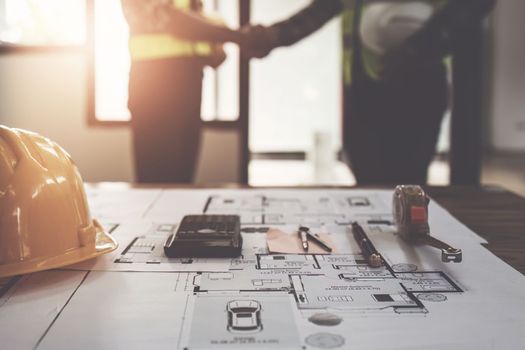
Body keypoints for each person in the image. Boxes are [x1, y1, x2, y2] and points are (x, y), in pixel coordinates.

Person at [241, 0, 495, 184]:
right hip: (362, 89)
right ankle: (371, 256)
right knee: (366, 182)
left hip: (417, 87)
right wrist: (273, 36)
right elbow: (322, 8)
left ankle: (408, 257)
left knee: (408, 185)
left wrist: (420, 48)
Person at [121, 0, 244, 183]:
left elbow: (194, 16)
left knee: (184, 174)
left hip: (190, 77)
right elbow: (167, 17)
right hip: (153, 82)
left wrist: (216, 38)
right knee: (156, 174)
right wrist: (235, 36)